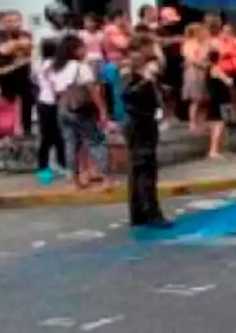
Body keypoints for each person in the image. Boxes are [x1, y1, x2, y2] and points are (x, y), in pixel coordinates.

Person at [120, 34, 173, 229]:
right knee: (144, 167)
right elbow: (128, 95)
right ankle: (150, 212)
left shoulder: (145, 69)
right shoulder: (131, 69)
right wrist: (146, 80)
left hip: (146, 120)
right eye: (151, 47)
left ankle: (140, 212)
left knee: (141, 168)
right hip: (138, 123)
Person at [51, 33, 108, 189]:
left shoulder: (56, 68)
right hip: (81, 108)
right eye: (83, 47)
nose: (86, 51)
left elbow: (55, 90)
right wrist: (102, 110)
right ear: (75, 50)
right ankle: (105, 178)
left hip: (63, 108)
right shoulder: (81, 68)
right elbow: (92, 91)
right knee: (96, 141)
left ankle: (76, 180)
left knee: (71, 144)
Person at [0, 9, 34, 137]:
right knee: (7, 103)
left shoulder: (26, 33)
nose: (14, 24)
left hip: (23, 74)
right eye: (10, 21)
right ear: (5, 23)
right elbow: (3, 50)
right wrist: (18, 44)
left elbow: (28, 46)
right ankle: (7, 130)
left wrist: (13, 45)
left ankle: (26, 129)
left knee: (27, 101)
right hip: (5, 75)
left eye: (17, 20)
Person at [34, 37, 67, 184]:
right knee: (53, 136)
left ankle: (46, 166)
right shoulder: (52, 66)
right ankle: (54, 165)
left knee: (51, 137)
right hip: (50, 103)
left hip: (44, 102)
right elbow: (56, 84)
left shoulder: (40, 65)